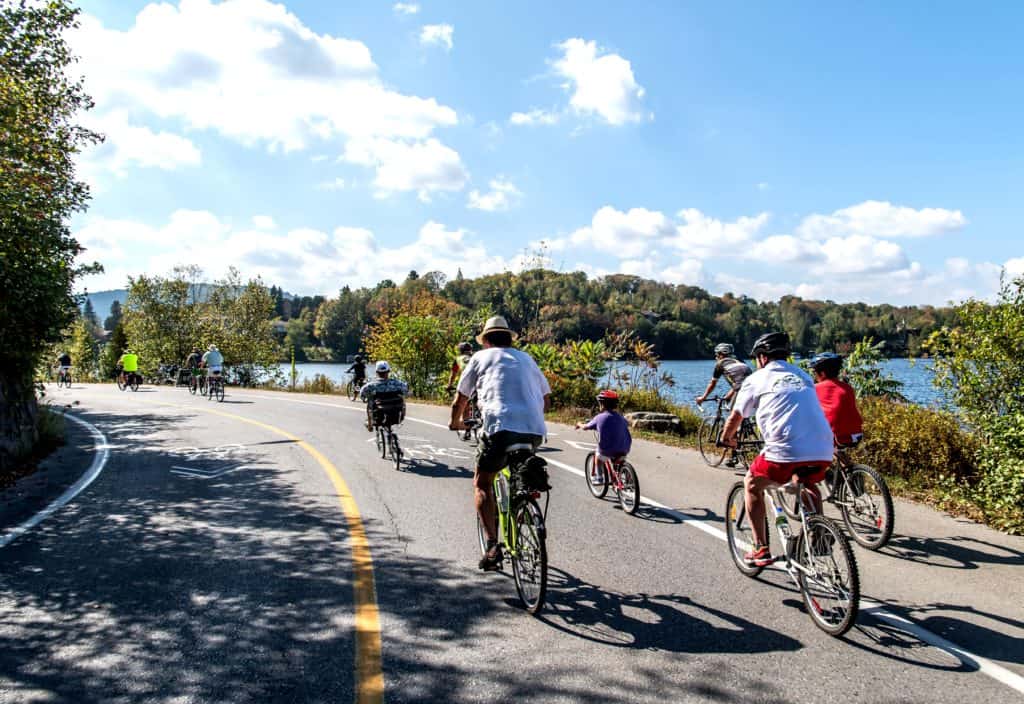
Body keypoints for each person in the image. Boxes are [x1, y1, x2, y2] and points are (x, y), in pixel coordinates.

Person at [720, 332, 834, 567]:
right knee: (808, 482)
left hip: (783, 451)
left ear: (762, 357)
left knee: (751, 483)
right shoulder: (803, 376)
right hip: (823, 449)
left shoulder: (757, 379)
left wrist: (726, 438)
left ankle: (760, 548)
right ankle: (818, 533)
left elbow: (736, 416)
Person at [449, 316, 551, 571]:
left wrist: (456, 423)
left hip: (498, 429)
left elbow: (460, 399)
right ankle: (523, 501)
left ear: (485, 341)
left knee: (482, 483)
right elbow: (547, 400)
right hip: (533, 431)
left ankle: (493, 545)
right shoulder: (527, 359)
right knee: (521, 475)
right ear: (509, 339)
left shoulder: (479, 358)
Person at [696, 342, 753, 467]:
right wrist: (728, 396)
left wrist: (703, 397)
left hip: (742, 389)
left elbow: (712, 384)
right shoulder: (739, 361)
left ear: (721, 355)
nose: (716, 358)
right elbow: (739, 382)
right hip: (753, 387)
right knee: (743, 418)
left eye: (716, 355)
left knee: (733, 420)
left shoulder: (720, 364)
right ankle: (745, 440)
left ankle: (733, 456)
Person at [575, 390, 632, 484]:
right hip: (624, 448)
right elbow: (625, 424)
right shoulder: (621, 418)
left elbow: (586, 427)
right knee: (619, 460)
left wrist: (579, 424)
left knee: (598, 455)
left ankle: (599, 477)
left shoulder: (599, 417)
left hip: (607, 450)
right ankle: (628, 478)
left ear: (602, 404)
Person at [810, 352, 864, 446]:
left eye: (814, 372)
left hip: (837, 438)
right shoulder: (847, 388)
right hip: (856, 435)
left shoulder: (815, 389)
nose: (814, 375)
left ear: (822, 373)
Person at [359, 361, 409, 431]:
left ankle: (370, 425)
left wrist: (365, 398)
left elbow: (362, 394)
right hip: (396, 412)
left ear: (376, 372)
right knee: (402, 399)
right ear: (388, 371)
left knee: (370, 402)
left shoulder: (371, 385)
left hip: (379, 412)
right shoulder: (397, 383)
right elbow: (406, 391)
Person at [447, 342, 475, 438]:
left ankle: (466, 427)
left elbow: (453, 375)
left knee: (461, 404)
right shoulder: (475, 357)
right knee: (469, 405)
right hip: (481, 381)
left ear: (460, 351)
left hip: (468, 382)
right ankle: (469, 428)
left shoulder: (459, 358)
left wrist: (449, 385)